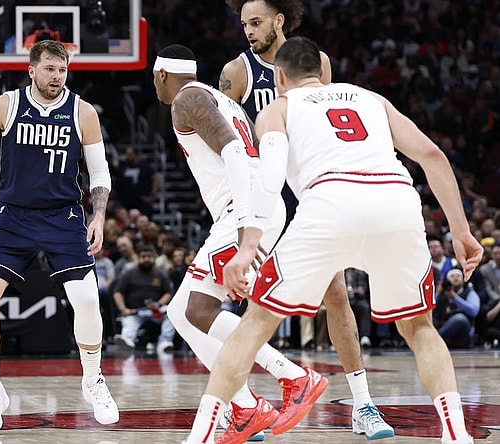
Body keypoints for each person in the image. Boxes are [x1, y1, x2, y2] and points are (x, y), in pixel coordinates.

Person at [187, 36, 482, 444]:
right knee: (418, 327)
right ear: (322, 72)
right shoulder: (372, 99)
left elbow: (269, 179)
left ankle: (199, 437)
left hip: (329, 203)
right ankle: (456, 433)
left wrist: (249, 245)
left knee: (255, 324)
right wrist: (461, 231)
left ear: (279, 76)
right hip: (395, 202)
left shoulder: (279, 107)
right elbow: (431, 154)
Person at [218, 0, 392, 438]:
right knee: (239, 300)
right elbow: (221, 142)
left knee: (336, 294)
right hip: (259, 200)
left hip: (305, 193)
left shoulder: (317, 63)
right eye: (243, 24)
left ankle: (363, 405)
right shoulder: (236, 73)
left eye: (256, 23)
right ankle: (239, 405)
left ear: (279, 21)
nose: (249, 31)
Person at [0, 40, 118, 435]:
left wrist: (98, 215)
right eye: (49, 69)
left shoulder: (83, 112)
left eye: (62, 70)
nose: (56, 76)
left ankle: (93, 379)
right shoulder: (6, 105)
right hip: (13, 215)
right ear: (32, 70)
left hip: (63, 215)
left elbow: (99, 174)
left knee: (87, 297)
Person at [154, 43, 324, 442]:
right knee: (182, 312)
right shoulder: (217, 97)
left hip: (246, 207)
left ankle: (294, 377)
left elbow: (232, 150)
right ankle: (244, 406)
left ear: (161, 75)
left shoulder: (187, 98)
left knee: (199, 308)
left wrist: (246, 222)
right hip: (257, 202)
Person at [112, 245, 176, 354]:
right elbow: (118, 292)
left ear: (154, 258)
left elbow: (169, 292)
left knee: (171, 314)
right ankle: (127, 341)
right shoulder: (129, 273)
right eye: (143, 256)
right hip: (135, 312)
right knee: (129, 322)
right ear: (138, 258)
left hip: (155, 311)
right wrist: (123, 309)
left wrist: (159, 303)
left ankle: (165, 342)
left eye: (149, 256)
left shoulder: (160, 274)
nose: (146, 259)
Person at [433, 268, 480, 348]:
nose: (455, 278)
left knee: (459, 319)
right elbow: (431, 311)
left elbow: (474, 311)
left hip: (463, 333)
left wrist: (455, 298)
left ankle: (433, 341)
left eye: (458, 276)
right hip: (442, 325)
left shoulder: (469, 292)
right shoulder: (441, 294)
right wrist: (437, 293)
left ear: (463, 279)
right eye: (452, 276)